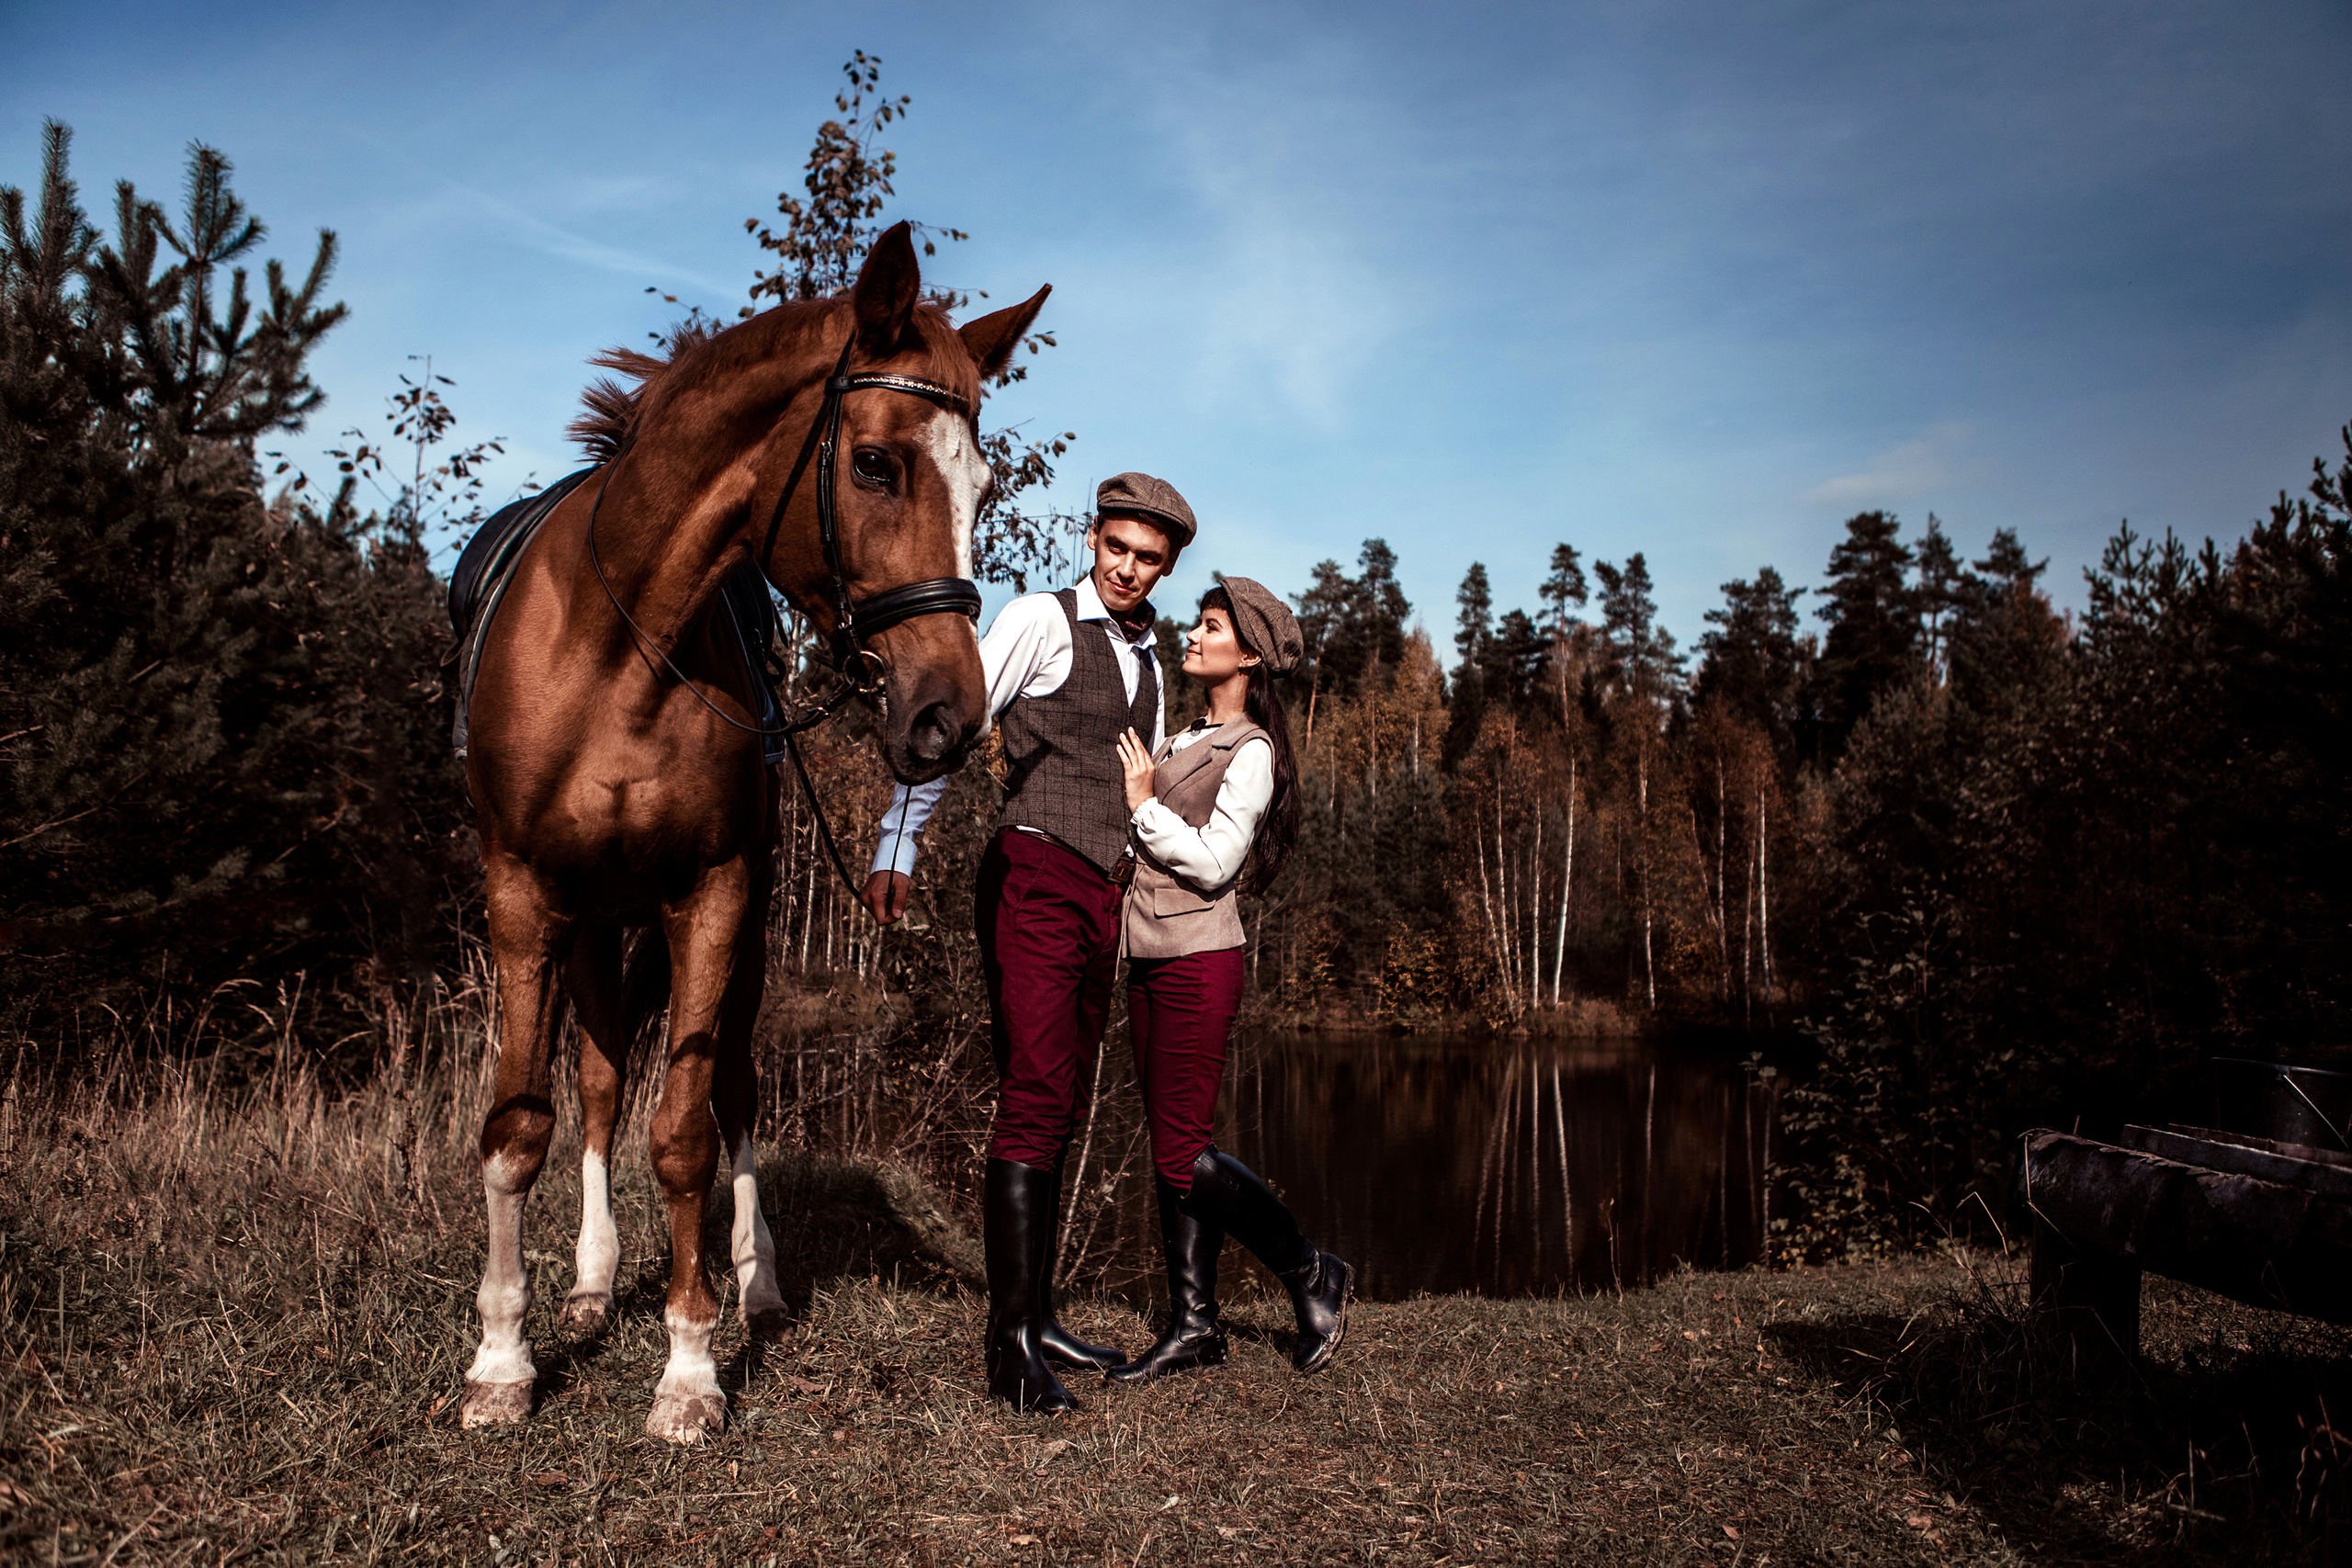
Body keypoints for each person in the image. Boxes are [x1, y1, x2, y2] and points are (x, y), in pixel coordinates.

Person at [862, 472, 1193, 1413]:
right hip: (1035, 872)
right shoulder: (1039, 621)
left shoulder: (1154, 663)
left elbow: (1141, 794)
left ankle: (1037, 1315)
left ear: (1167, 568)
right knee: (1038, 1091)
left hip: (1103, 893)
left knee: (1064, 1099)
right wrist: (899, 839)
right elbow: (951, 727)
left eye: (1149, 559)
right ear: (1092, 538)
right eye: (1117, 548)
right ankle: (1008, 1348)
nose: (1128, 569)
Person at [1105, 578, 1353, 1384]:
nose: (1193, 632)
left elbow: (1216, 860)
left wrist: (1144, 806)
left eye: (1210, 626)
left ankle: (1310, 1269)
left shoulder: (1249, 750)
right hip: (1146, 954)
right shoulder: (1182, 735)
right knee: (1174, 1142)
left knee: (1182, 1153)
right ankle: (1194, 1324)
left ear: (1246, 653)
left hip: (1201, 959)